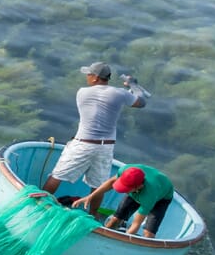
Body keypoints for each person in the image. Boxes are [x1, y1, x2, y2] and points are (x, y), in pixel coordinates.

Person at [43, 61, 150, 213]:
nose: (87, 76)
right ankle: (92, 217)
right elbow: (141, 102)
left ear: (95, 78)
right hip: (105, 147)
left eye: (89, 74)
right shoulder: (120, 93)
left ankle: (40, 204)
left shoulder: (82, 92)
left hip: (83, 143)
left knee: (57, 175)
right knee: (98, 185)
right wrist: (133, 86)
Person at [73, 164, 174, 238]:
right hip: (142, 186)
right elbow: (111, 182)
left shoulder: (148, 196)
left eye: (126, 188)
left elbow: (136, 224)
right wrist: (90, 197)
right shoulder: (126, 170)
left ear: (139, 187)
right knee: (115, 220)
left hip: (162, 198)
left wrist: (125, 239)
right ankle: (102, 238)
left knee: (148, 234)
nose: (123, 190)